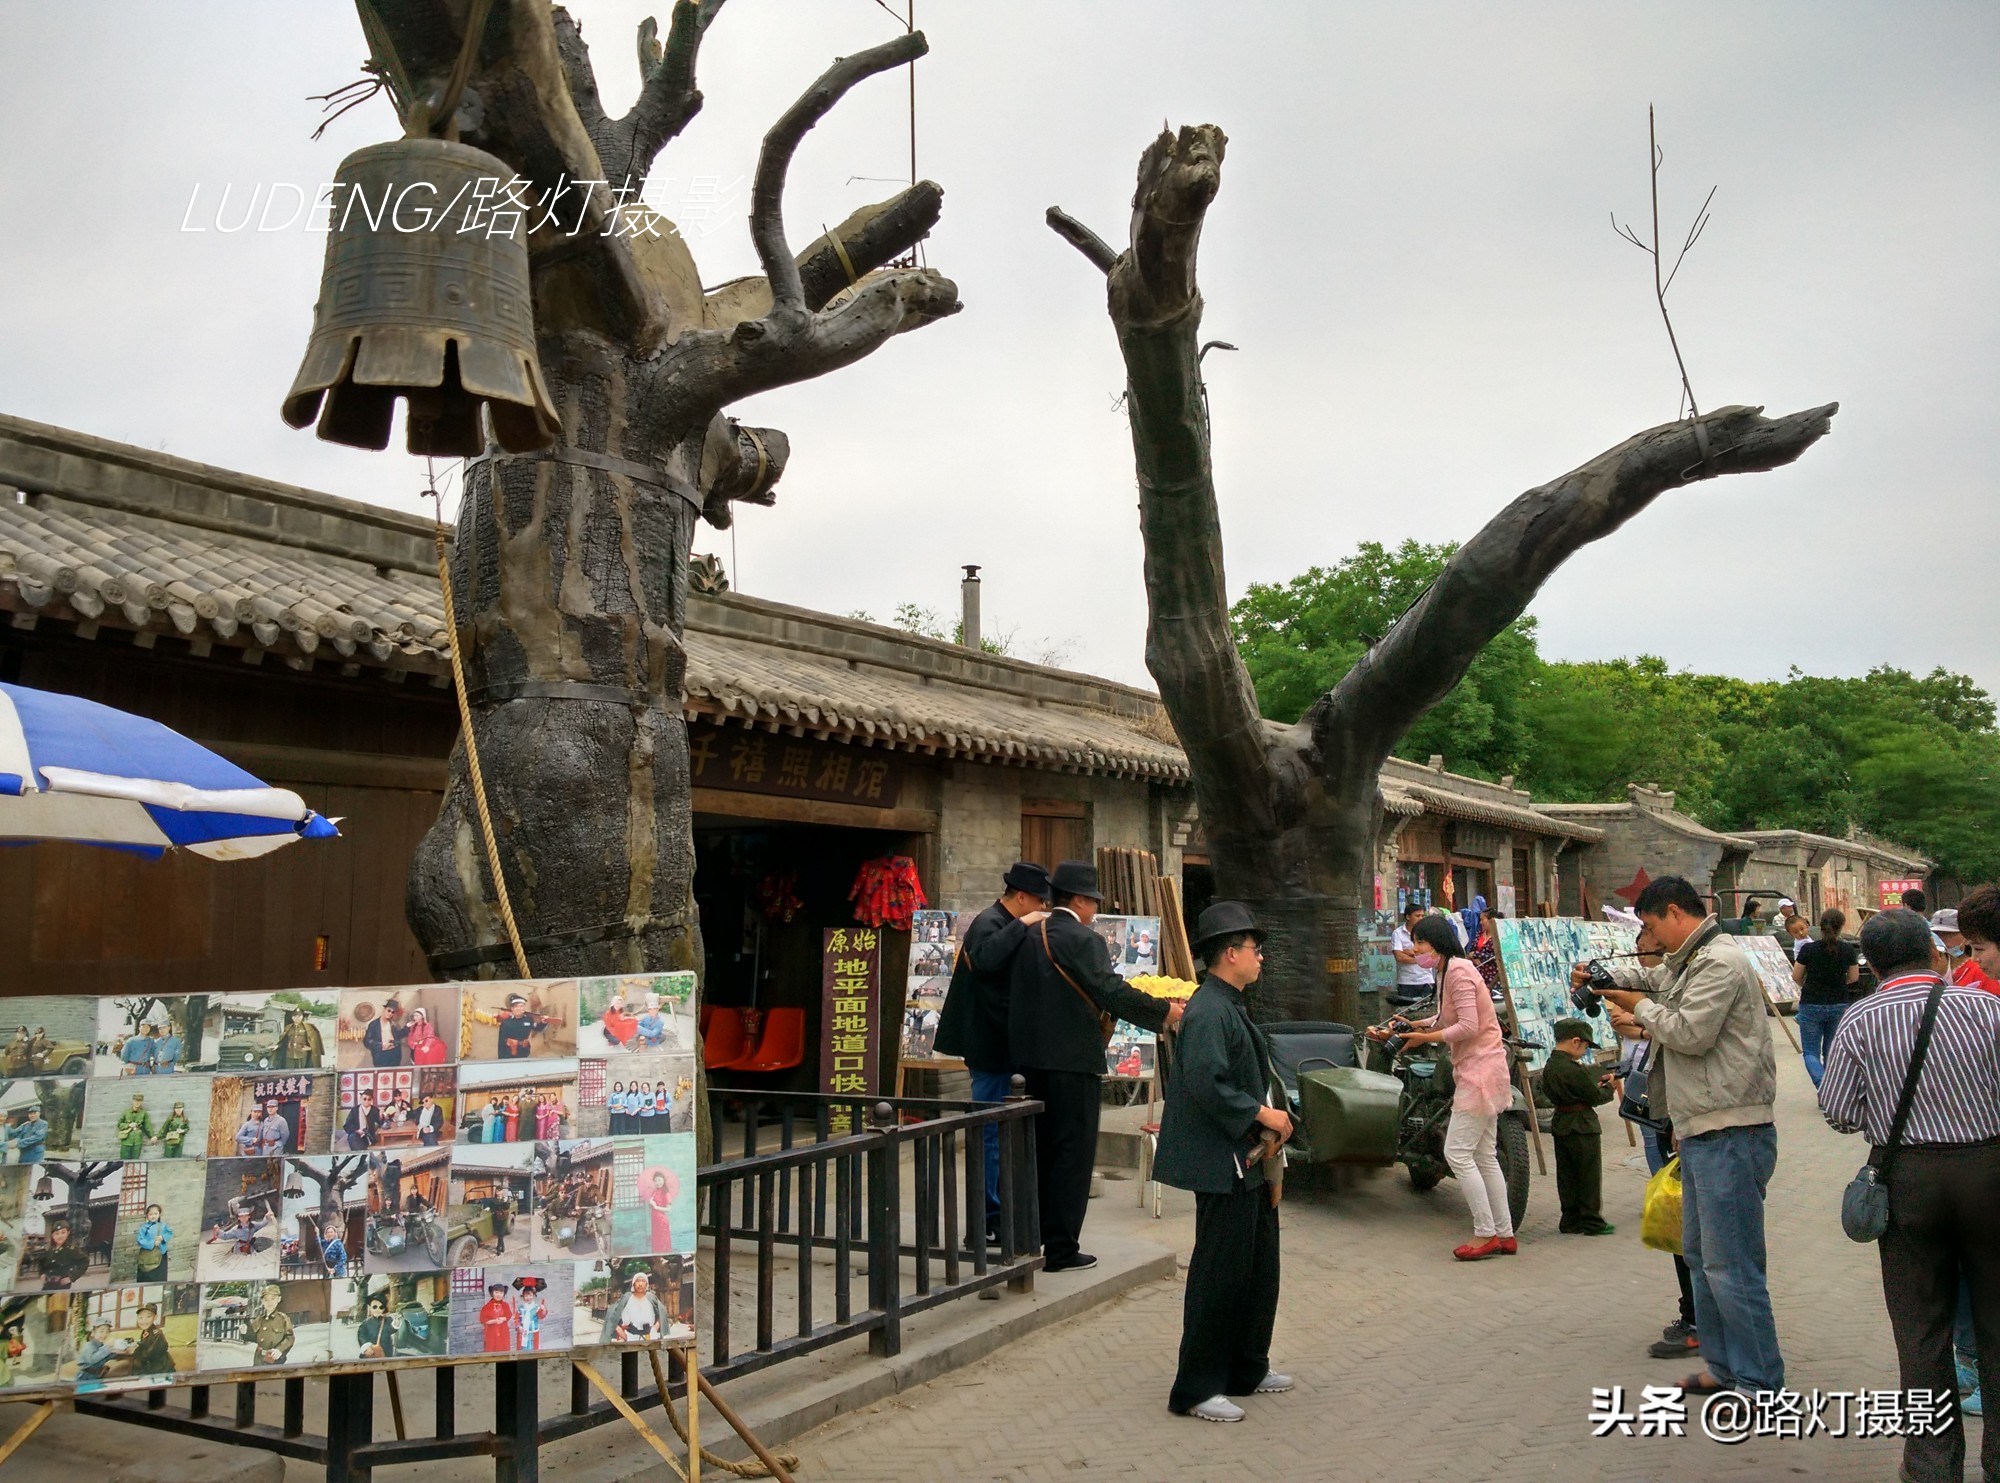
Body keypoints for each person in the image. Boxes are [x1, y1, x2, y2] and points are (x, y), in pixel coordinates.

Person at [1582, 874, 1782, 1399]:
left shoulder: (1719, 961)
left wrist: (1636, 1004)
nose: (1652, 940)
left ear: (1674, 913)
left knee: (1731, 1264)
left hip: (1731, 1130)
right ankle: (1723, 1367)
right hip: (1701, 1129)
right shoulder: (1693, 959)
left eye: (1651, 927)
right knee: (1700, 1256)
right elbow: (1656, 979)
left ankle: (1760, 1383)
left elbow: (1690, 1032)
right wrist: (1607, 979)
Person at [1819, 906, 2000, 1482]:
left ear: (1869, 963)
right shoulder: (1988, 1007)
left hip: (1909, 1182)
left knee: (1920, 1329)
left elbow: (1840, 1112)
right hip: (1990, 1174)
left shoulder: (1860, 1020)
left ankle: (1930, 1468)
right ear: (1933, 950)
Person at [1153, 901, 1294, 1423]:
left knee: (1258, 1268)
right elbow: (1206, 1083)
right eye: (1255, 950)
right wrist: (1262, 1113)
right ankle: (1195, 1387)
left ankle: (1246, 1367)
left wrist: (1273, 1119)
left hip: (1249, 1160)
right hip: (1223, 1161)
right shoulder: (1209, 1008)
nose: (1261, 959)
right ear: (1230, 954)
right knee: (1219, 1273)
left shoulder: (1229, 1002)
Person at [1008, 861, 1181, 1272]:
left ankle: (1027, 1241)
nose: (1094, 910)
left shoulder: (1028, 935)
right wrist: (1164, 1012)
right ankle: (1062, 1250)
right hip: (1071, 1063)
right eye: (1093, 902)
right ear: (1081, 900)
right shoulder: (1084, 940)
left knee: (1036, 1151)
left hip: (1025, 1063)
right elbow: (1111, 991)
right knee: (1072, 1154)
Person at [1381, 913, 1517, 1259]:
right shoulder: (1447, 970)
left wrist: (1427, 1036)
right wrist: (1414, 1025)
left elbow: (1468, 1026)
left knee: (1457, 1153)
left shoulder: (1458, 971)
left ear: (1438, 943)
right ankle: (1504, 1233)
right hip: (1480, 1068)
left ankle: (1485, 1232)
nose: (1416, 950)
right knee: (1485, 1156)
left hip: (1479, 1071)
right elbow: (1447, 1017)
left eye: (1421, 943)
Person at [933, 861, 1053, 1244]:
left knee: (1000, 1134)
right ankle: (987, 1218)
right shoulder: (991, 922)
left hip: (1004, 1047)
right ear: (1021, 897)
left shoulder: (1003, 922)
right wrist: (1025, 923)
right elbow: (985, 960)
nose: (1043, 908)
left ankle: (999, 1213)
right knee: (989, 1134)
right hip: (989, 1049)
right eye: (1039, 901)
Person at [1541, 1017, 1616, 1235]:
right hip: (1582, 1125)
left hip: (1561, 1124)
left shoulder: (1550, 1066)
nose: (1584, 1051)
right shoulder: (1572, 1068)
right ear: (1575, 1042)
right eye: (1584, 1046)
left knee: (1567, 1176)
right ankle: (1592, 1222)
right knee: (1588, 1175)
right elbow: (1593, 1096)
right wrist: (1608, 1088)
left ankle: (1570, 1219)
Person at [1790, 908, 1860, 1086]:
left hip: (1811, 1003)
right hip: (1838, 1003)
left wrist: (1807, 986)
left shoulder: (1808, 949)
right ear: (1841, 927)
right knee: (1831, 1051)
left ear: (1820, 927)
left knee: (1810, 1052)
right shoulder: (1847, 949)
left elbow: (1796, 976)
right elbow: (1854, 977)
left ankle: (1823, 1087)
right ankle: (1831, 1092)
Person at [1932, 908, 2000, 995]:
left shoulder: (1983, 969)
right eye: (1936, 934)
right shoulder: (1936, 969)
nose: (1941, 939)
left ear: (1966, 935)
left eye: (1948, 934)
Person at [1389, 903, 1436, 1007]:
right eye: (1417, 916)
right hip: (1406, 981)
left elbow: (1432, 955)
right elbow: (1399, 957)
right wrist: (1421, 959)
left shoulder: (1427, 933)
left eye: (1422, 916)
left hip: (1426, 980)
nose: (1420, 918)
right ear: (1408, 917)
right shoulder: (1398, 933)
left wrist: (1409, 953)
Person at [602, 1270, 668, 1342]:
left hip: (650, 1336)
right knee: (630, 1353)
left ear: (647, 1284)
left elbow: (662, 1312)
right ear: (633, 1283)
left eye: (643, 1281)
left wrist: (655, 1328)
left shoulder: (651, 1298)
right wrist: (622, 1334)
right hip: (630, 1336)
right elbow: (612, 1315)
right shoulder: (626, 1298)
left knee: (652, 1353)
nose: (640, 1284)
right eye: (638, 1281)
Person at [249, 1284, 294, 1365]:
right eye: (266, 1300)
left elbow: (290, 1338)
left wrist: (280, 1350)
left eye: (273, 1299)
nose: (269, 1302)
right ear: (262, 1301)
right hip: (258, 1360)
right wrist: (244, 1332)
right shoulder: (259, 1320)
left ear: (279, 1299)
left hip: (275, 1360)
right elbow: (253, 1337)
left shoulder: (283, 1319)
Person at [39, 1220, 86, 1289]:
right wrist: (41, 1274)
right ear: (53, 1235)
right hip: (47, 1284)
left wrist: (72, 1277)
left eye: (63, 1233)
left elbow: (85, 1261)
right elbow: (41, 1263)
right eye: (57, 1233)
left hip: (62, 1285)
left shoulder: (72, 1250)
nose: (60, 1236)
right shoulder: (50, 1250)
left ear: (68, 1233)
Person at [134, 1202, 173, 1282]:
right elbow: (140, 1240)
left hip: (161, 1254)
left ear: (159, 1214)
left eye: (156, 1213)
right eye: (151, 1214)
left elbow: (169, 1233)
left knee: (160, 1276)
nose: (153, 1216)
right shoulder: (144, 1227)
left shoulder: (163, 1225)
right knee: (147, 1276)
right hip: (148, 1255)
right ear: (147, 1215)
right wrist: (152, 1243)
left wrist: (162, 1237)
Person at [129, 1304, 171, 1378]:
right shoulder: (145, 1331)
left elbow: (149, 1354)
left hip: (160, 1369)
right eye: (140, 1317)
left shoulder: (157, 1333)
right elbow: (144, 1345)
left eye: (148, 1317)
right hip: (149, 1365)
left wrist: (134, 1352)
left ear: (155, 1317)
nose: (144, 1321)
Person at [363, 1000, 406, 1067]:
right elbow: (367, 1041)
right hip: (380, 1056)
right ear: (384, 1009)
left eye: (392, 1012)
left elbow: (398, 1036)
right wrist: (381, 1045)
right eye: (389, 1010)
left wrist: (407, 1028)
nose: (390, 1013)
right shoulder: (374, 1024)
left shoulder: (394, 1024)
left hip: (394, 1055)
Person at [645, 1169, 677, 1253]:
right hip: (655, 1221)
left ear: (663, 1180)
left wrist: (655, 1206)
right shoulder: (654, 1192)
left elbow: (668, 1209)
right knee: (656, 1241)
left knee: (662, 1241)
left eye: (659, 1180)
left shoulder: (666, 1193)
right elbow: (651, 1205)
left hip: (661, 1221)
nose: (657, 1182)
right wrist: (650, 1203)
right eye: (655, 1180)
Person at [357, 1294, 396, 1358]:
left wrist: (396, 1324)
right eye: (375, 1307)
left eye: (381, 1307)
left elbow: (391, 1330)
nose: (377, 1309)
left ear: (383, 1309)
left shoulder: (388, 1320)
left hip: (386, 1353)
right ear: (370, 1308)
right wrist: (366, 1348)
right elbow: (361, 1336)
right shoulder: (365, 1323)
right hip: (371, 1353)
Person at [479, 1284, 516, 1352]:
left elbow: (508, 1315)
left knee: (504, 1349)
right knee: (491, 1349)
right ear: (492, 1293)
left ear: (504, 1294)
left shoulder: (505, 1305)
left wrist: (503, 1319)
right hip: (491, 1332)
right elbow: (483, 1320)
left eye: (501, 1292)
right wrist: (495, 1321)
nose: (498, 1295)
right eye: (496, 1292)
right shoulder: (486, 1307)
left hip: (503, 1331)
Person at [116, 1093, 154, 1159]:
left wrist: (152, 1136)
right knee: (124, 1160)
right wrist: (128, 1125)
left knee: (135, 1160)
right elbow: (119, 1124)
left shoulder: (143, 1113)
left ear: (141, 1102)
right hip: (126, 1140)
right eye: (136, 1100)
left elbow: (148, 1126)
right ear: (133, 1101)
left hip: (137, 1141)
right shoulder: (126, 1112)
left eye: (139, 1101)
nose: (137, 1103)